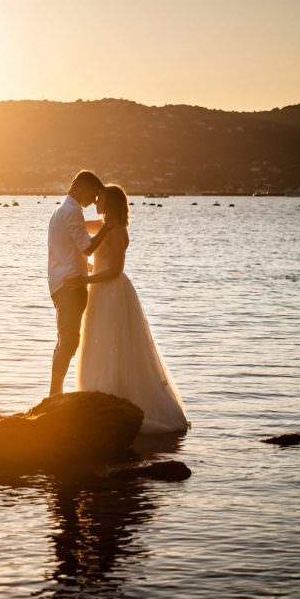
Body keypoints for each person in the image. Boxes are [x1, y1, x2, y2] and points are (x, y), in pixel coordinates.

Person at [72, 185, 188, 434]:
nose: (95, 202)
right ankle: (98, 397)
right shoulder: (106, 227)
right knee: (97, 342)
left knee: (112, 343)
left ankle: (114, 401)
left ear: (110, 203)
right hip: (100, 291)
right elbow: (79, 225)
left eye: (100, 198)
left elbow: (114, 270)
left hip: (111, 292)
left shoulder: (117, 232)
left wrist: (86, 279)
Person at [47, 170, 112, 396]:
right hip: (70, 285)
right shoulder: (72, 211)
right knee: (69, 341)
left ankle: (55, 392)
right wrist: (108, 227)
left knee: (67, 339)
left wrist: (105, 221)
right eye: (94, 195)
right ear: (82, 188)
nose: (94, 201)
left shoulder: (62, 210)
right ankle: (55, 393)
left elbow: (80, 233)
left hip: (60, 282)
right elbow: (87, 247)